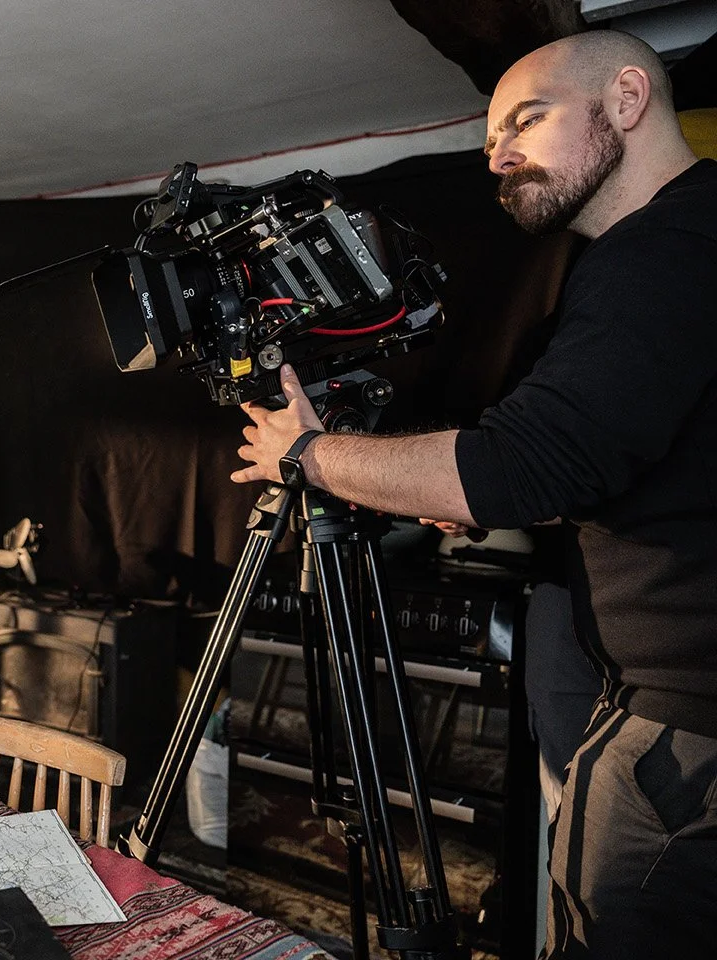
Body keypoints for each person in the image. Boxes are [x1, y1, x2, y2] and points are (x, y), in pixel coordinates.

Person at [231, 30, 716, 959]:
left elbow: (523, 463)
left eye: (526, 120)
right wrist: (483, 488)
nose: (497, 156)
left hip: (688, 732)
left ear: (626, 98)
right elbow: (623, 467)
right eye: (491, 139)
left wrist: (310, 456)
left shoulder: (663, 249)